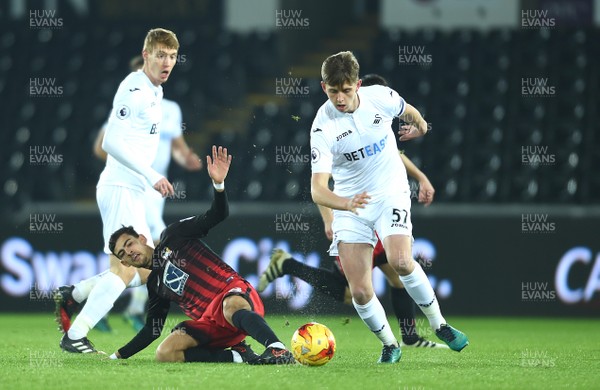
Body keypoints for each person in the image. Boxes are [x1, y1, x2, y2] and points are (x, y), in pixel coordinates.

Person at [309, 51, 468, 363]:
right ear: (322, 87)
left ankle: (440, 325)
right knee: (360, 292)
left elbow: (411, 112)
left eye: (346, 89)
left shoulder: (380, 97)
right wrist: (344, 204)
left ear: (357, 84)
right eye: (333, 91)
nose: (340, 98)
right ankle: (390, 344)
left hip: (390, 193)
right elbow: (317, 190)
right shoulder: (321, 128)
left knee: (401, 261)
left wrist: (420, 127)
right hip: (351, 204)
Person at [106, 146, 295, 365]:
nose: (129, 251)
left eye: (129, 243)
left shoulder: (174, 234)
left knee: (230, 305)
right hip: (212, 325)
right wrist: (117, 355)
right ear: (125, 262)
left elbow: (217, 214)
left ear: (141, 238)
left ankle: (277, 349)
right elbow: (152, 330)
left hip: (234, 296)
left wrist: (218, 185)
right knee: (165, 353)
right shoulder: (156, 285)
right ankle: (238, 356)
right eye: (123, 253)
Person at [55, 28, 180, 353]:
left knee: (142, 270)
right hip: (121, 187)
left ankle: (75, 294)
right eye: (161, 55)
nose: (166, 62)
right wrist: (151, 173)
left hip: (132, 190)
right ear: (146, 54)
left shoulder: (155, 92)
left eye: (172, 56)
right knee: (126, 269)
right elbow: (109, 141)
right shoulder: (135, 89)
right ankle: (75, 334)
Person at [91, 56, 202, 331]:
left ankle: (91, 298)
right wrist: (126, 165)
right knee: (154, 247)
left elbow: (177, 145)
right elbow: (101, 146)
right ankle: (126, 306)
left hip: (155, 188)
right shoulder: (128, 104)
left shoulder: (171, 109)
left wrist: (186, 157)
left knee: (146, 252)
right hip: (134, 183)